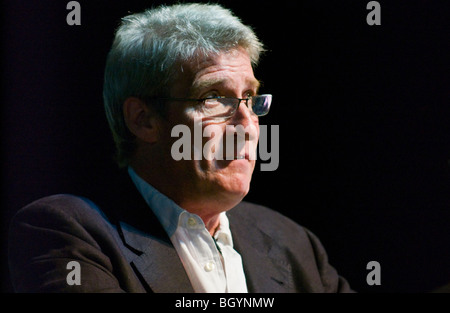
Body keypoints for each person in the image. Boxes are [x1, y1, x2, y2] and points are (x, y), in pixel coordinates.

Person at [8, 3, 353, 293]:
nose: (247, 124)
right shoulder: (65, 231)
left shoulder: (294, 244)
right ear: (144, 119)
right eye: (214, 98)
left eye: (249, 97)